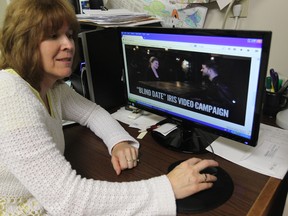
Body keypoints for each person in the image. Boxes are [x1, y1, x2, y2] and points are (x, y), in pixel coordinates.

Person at [0, 0, 218, 215]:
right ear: (23, 41)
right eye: (53, 35)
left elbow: (91, 112)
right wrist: (167, 187)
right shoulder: (10, 92)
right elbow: (69, 199)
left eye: (69, 35)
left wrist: (118, 141)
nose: (68, 44)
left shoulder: (51, 88)